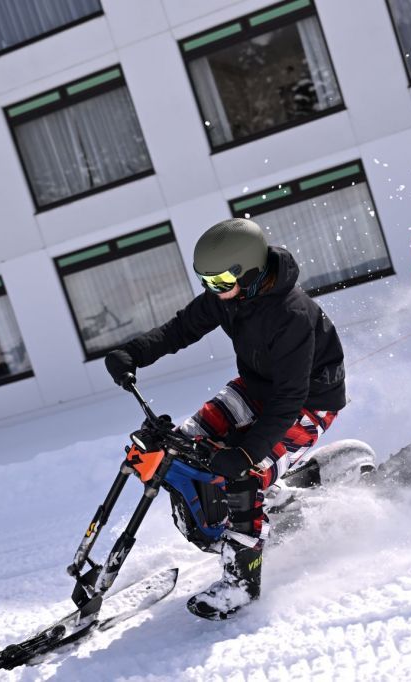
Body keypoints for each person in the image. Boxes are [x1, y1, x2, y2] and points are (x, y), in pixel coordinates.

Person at [103, 218, 347, 620]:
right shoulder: (228, 298)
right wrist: (133, 353)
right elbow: (179, 329)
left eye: (219, 280)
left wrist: (246, 454)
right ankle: (216, 521)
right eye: (206, 280)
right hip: (255, 387)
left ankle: (241, 583)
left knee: (245, 474)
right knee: (179, 448)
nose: (212, 289)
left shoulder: (293, 314)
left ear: (249, 273)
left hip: (306, 403)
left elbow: (290, 399)